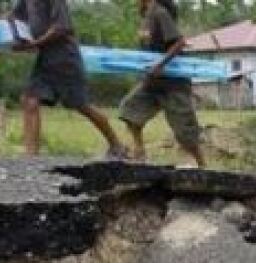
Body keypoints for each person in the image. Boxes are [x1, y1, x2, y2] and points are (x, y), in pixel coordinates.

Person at [11, 0, 126, 158]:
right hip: (45, 58)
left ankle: (116, 145)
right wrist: (3, 39)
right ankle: (31, 157)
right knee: (29, 100)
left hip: (65, 59)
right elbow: (14, 18)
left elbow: (62, 27)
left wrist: (35, 43)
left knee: (81, 105)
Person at [118, 0, 205, 167]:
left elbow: (179, 43)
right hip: (152, 83)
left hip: (173, 84)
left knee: (185, 133)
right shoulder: (146, 16)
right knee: (129, 110)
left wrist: (159, 65)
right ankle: (140, 152)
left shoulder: (160, 13)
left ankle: (202, 164)